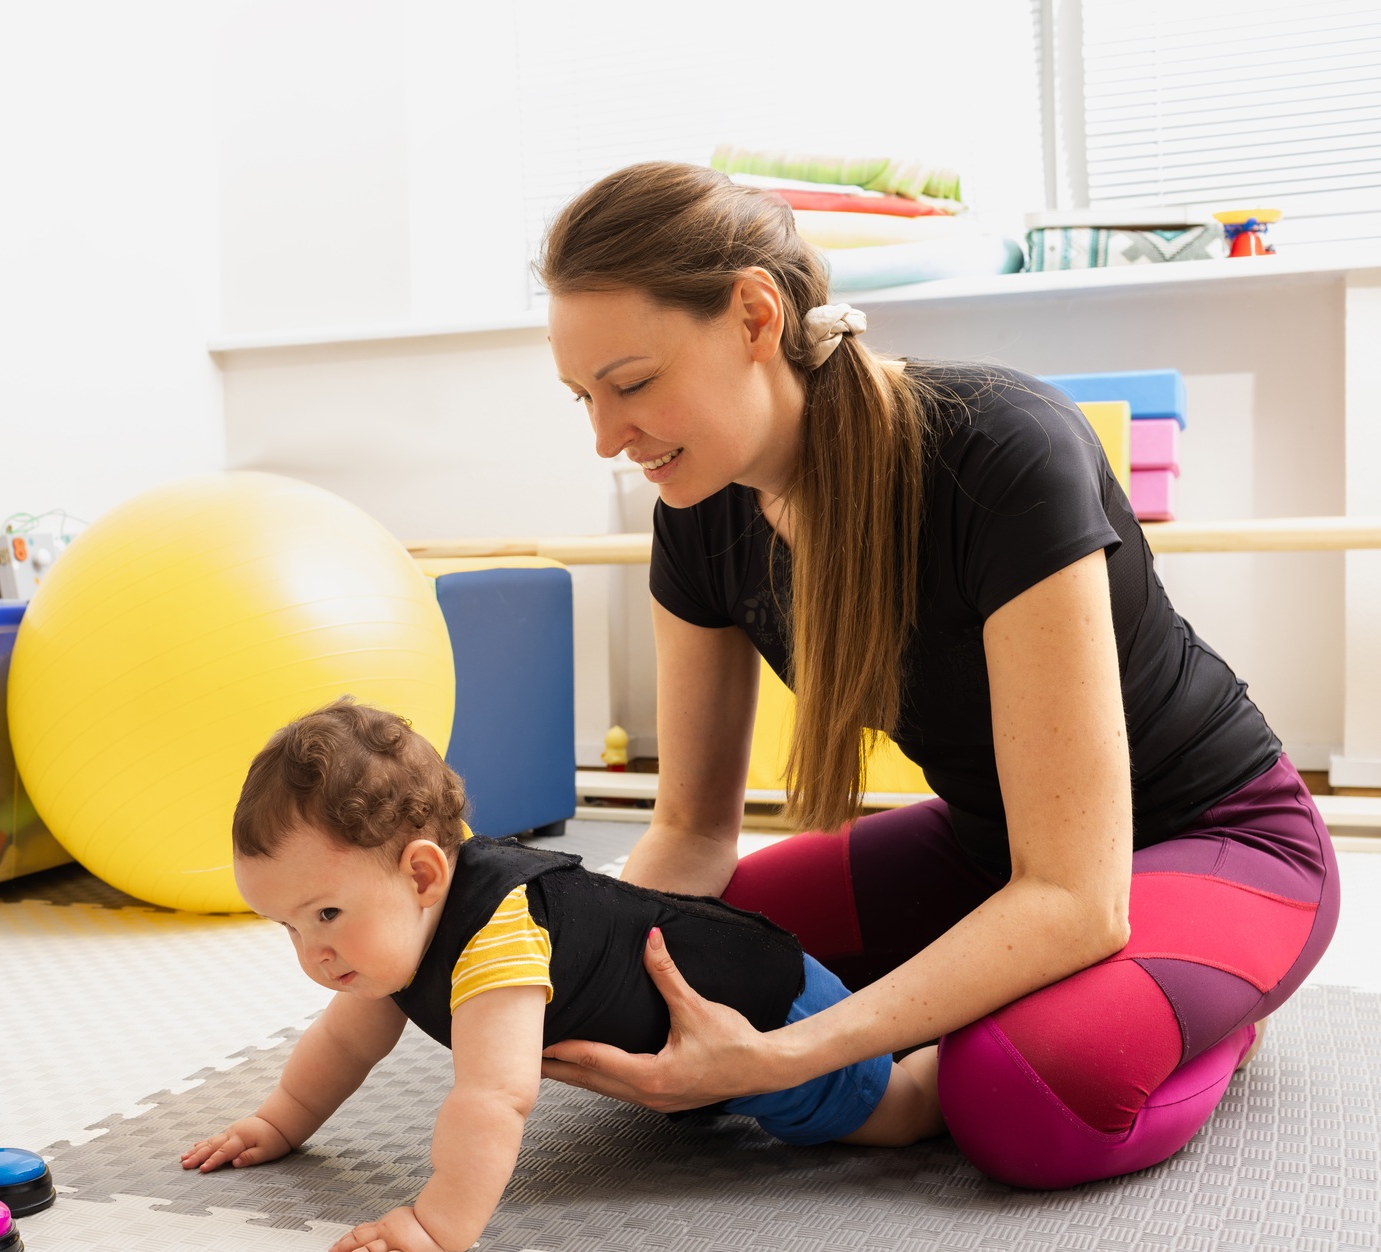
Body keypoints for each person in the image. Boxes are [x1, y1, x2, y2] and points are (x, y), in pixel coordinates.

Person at [533, 161, 1339, 1190]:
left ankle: (1209, 1024)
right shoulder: (697, 515)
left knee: (1011, 1097)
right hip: (989, 852)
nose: (606, 435)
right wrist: (554, 972)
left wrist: (786, 1057)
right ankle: (1078, 1005)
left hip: (1214, 838)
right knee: (665, 977)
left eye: (632, 382)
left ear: (751, 315)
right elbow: (691, 830)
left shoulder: (998, 450)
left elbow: (1074, 897)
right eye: (581, 397)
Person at [181, 699, 945, 1252]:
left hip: (766, 1012)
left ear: (422, 873)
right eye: (288, 927)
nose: (312, 952)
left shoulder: (497, 938)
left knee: (897, 1111)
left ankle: (967, 1032)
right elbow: (344, 1041)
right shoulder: (387, 939)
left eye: (325, 914)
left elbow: (493, 1097)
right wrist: (278, 1121)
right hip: (703, 1035)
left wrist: (438, 1221)